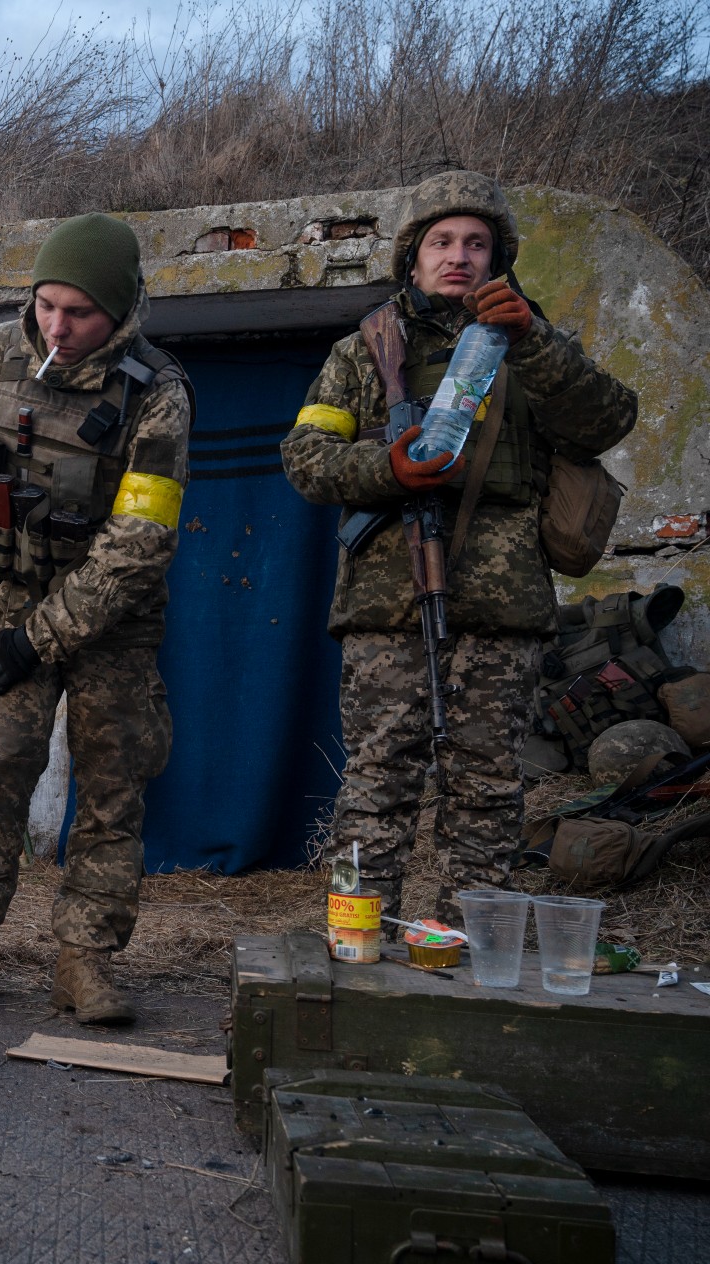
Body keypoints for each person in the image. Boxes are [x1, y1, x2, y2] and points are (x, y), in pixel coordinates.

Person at [280, 171, 637, 929]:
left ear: (499, 257)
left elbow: (607, 421)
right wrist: (388, 468)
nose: (459, 256)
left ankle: (467, 962)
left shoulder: (535, 345)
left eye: (477, 243)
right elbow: (304, 459)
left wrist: (533, 343)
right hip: (388, 605)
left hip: (502, 611)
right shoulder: (365, 348)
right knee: (376, 791)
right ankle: (357, 951)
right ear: (413, 258)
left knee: (488, 798)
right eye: (441, 242)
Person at [0, 214, 194, 1025]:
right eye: (45, 304)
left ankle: (85, 962)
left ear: (122, 310)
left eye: (79, 313)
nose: (56, 327)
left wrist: (37, 642)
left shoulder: (157, 396)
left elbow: (138, 546)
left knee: (111, 782)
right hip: (4, 593)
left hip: (111, 620)